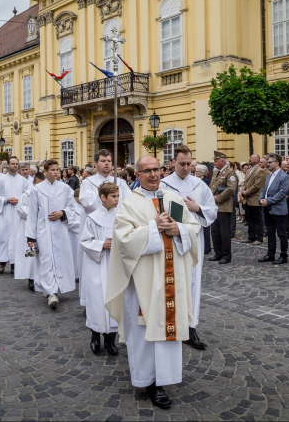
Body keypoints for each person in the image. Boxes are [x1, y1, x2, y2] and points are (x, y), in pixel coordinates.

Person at [105, 155, 201, 410]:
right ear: (137, 175)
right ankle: (149, 382)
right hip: (145, 281)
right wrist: (152, 227)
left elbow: (193, 227)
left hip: (172, 277)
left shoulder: (173, 199)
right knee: (146, 329)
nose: (153, 175)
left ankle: (166, 378)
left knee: (168, 326)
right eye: (146, 171)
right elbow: (123, 241)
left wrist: (178, 230)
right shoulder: (129, 204)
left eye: (156, 169)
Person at [160, 145, 217, 350]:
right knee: (172, 279)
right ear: (173, 163)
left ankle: (191, 326)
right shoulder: (164, 185)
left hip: (194, 239)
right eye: (182, 164)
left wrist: (198, 208)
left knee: (193, 281)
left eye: (189, 164)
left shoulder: (199, 185)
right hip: (171, 240)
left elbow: (213, 209)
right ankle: (171, 322)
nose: (186, 168)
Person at [79, 150, 133, 305]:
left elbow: (129, 203)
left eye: (109, 160)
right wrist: (107, 199)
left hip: (116, 226)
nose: (107, 163)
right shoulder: (88, 182)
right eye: (103, 161)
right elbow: (88, 203)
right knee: (94, 271)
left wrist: (117, 206)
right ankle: (90, 301)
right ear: (96, 164)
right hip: (95, 229)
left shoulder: (120, 183)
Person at [25, 160, 79, 309]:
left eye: (58, 170)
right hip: (43, 231)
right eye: (53, 170)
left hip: (61, 231)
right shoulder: (37, 190)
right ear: (46, 171)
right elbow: (32, 214)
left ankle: (55, 288)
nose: (56, 172)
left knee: (60, 260)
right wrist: (30, 236)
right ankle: (51, 293)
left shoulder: (65, 188)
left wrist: (63, 213)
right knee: (46, 260)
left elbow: (72, 207)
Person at [80, 182, 121, 356]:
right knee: (98, 301)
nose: (117, 200)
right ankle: (95, 336)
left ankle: (111, 339)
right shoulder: (93, 218)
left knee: (115, 299)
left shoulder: (122, 216)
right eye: (113, 196)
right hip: (98, 263)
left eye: (118, 196)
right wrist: (101, 244)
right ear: (102, 198)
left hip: (116, 264)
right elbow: (84, 241)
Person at [0, 156, 28, 274]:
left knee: (17, 239)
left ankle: (14, 264)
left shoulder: (23, 181)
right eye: (12, 164)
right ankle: (2, 262)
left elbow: (28, 196)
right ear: (7, 165)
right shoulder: (1, 180)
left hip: (18, 214)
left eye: (17, 164)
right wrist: (6, 200)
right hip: (4, 213)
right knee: (3, 238)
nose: (15, 166)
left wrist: (20, 202)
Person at [258, 153, 289, 265]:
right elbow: (264, 190)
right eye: (267, 162)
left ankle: (283, 255)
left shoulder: (284, 176)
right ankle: (270, 254)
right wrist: (261, 199)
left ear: (277, 163)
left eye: (270, 162)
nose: (268, 164)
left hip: (278, 209)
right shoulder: (268, 176)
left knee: (281, 233)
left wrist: (269, 200)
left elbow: (282, 193)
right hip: (267, 208)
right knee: (270, 232)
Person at [16, 172, 45, 291]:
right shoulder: (27, 194)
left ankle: (42, 277)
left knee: (42, 252)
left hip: (43, 227)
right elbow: (21, 209)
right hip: (30, 227)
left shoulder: (46, 194)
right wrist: (36, 214)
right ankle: (31, 278)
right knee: (31, 253)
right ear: (33, 183)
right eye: (38, 184)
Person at [209, 151, 237, 264]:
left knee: (224, 232)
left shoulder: (230, 173)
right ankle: (218, 252)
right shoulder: (216, 172)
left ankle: (226, 255)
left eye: (216, 161)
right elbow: (212, 187)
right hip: (214, 206)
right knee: (215, 231)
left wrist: (217, 198)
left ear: (222, 160)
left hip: (224, 206)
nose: (214, 163)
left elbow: (231, 189)